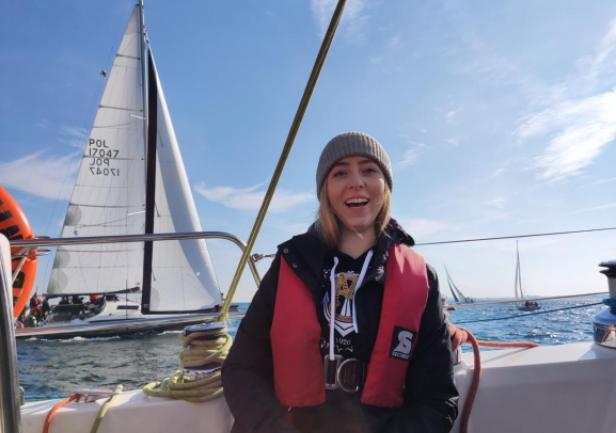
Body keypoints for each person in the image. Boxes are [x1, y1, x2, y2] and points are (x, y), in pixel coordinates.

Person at [222, 132, 458, 433]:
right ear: (325, 190)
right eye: (340, 173)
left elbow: (437, 400)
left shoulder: (422, 278)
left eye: (369, 170)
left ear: (385, 186)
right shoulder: (289, 265)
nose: (356, 182)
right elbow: (241, 369)